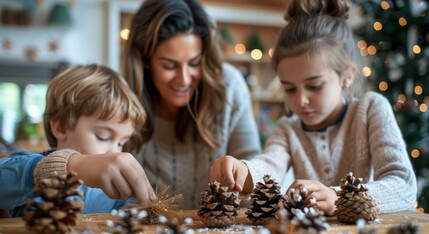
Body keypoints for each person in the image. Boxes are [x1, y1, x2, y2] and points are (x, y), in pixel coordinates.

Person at [209, 0, 417, 215]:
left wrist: (338, 197)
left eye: (314, 86)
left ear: (346, 76)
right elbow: (270, 165)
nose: (301, 101)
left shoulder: (371, 109)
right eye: (289, 89)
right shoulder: (287, 129)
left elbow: (403, 185)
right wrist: (244, 171)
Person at [121, 0, 261, 209]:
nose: (184, 79)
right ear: (145, 60)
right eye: (170, 65)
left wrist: (243, 176)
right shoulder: (122, 97)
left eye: (195, 63)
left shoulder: (230, 86)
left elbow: (254, 174)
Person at [0, 64, 155, 217]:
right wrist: (71, 165)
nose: (114, 151)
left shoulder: (112, 193)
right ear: (61, 126)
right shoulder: (30, 167)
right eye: (103, 136)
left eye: (121, 143)